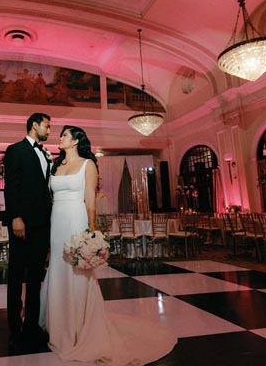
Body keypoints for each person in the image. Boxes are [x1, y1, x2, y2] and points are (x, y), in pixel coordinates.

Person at [40, 125, 177, 365]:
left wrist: (91, 230)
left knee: (77, 270)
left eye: (64, 135)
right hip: (56, 220)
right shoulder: (56, 164)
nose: (60, 138)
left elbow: (90, 199)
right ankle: (58, 323)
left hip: (76, 218)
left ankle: (80, 326)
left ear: (75, 141)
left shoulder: (88, 164)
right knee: (58, 267)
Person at [2, 112, 52, 354]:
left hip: (43, 225)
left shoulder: (45, 154)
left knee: (35, 278)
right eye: (47, 126)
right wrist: (15, 217)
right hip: (22, 223)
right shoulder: (15, 150)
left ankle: (32, 326)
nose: (50, 131)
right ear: (35, 125)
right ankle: (15, 330)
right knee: (16, 277)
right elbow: (11, 186)